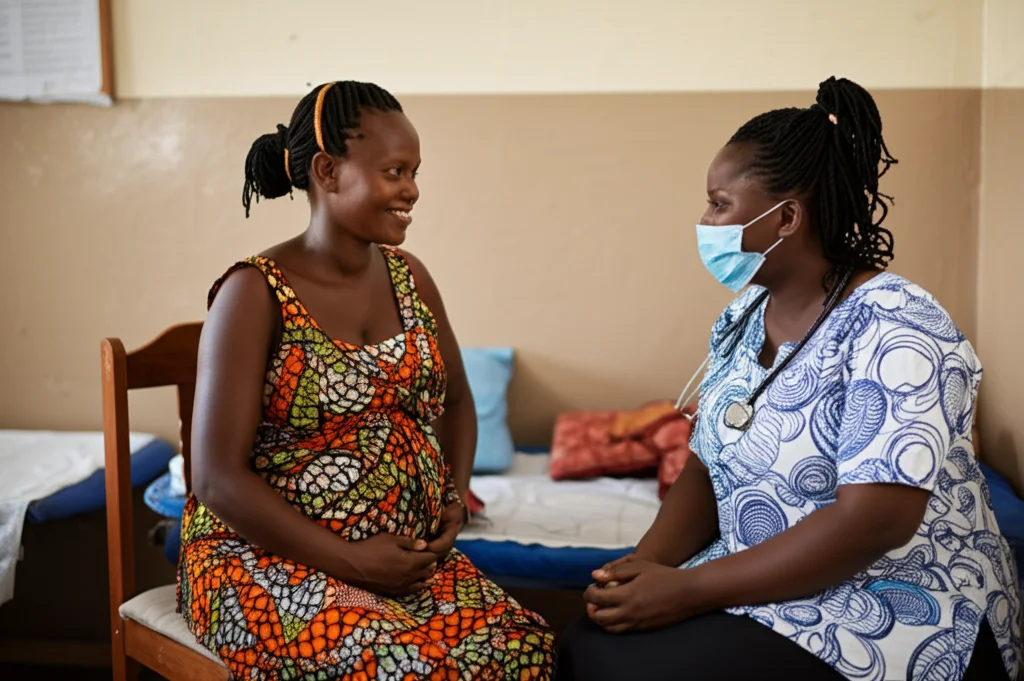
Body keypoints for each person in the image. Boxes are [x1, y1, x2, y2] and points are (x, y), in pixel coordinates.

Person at [556, 77, 1022, 681]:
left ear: (787, 218)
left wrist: (689, 589)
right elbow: (704, 465)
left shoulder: (898, 327)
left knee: (633, 667)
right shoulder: (744, 316)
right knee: (592, 638)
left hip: (898, 604)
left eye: (719, 204)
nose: (705, 221)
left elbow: (874, 520)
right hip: (767, 587)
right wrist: (641, 568)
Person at [177, 80, 555, 680]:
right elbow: (216, 479)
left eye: (415, 172)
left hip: (398, 566)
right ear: (327, 171)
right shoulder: (254, 293)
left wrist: (453, 498)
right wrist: (350, 562)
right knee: (410, 670)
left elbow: (456, 401)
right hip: (264, 562)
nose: (412, 190)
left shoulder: (410, 278)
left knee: (526, 654)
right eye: (395, 171)